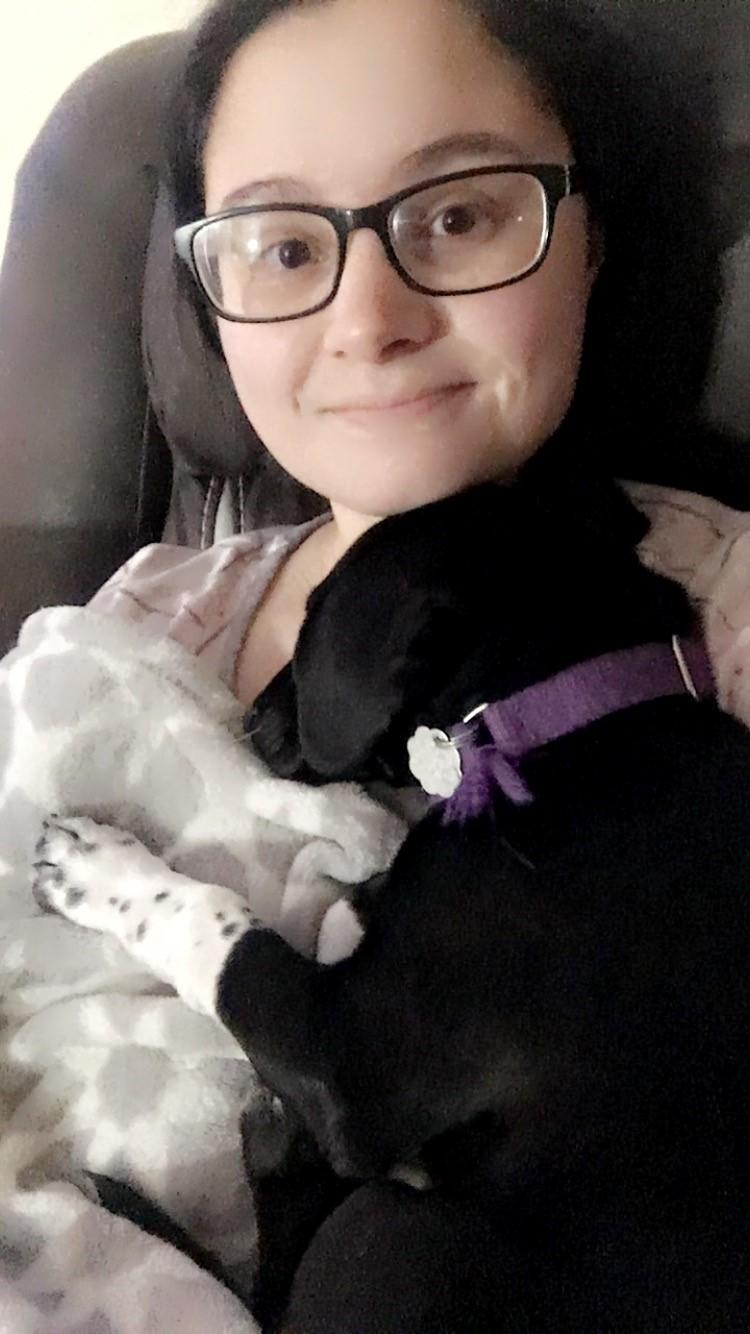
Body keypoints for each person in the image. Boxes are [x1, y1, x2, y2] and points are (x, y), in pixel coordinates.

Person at [82, 0, 750, 1325]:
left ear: (591, 238)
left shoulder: (720, 617)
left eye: (455, 215)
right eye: (279, 244)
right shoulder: (136, 623)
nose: (367, 318)